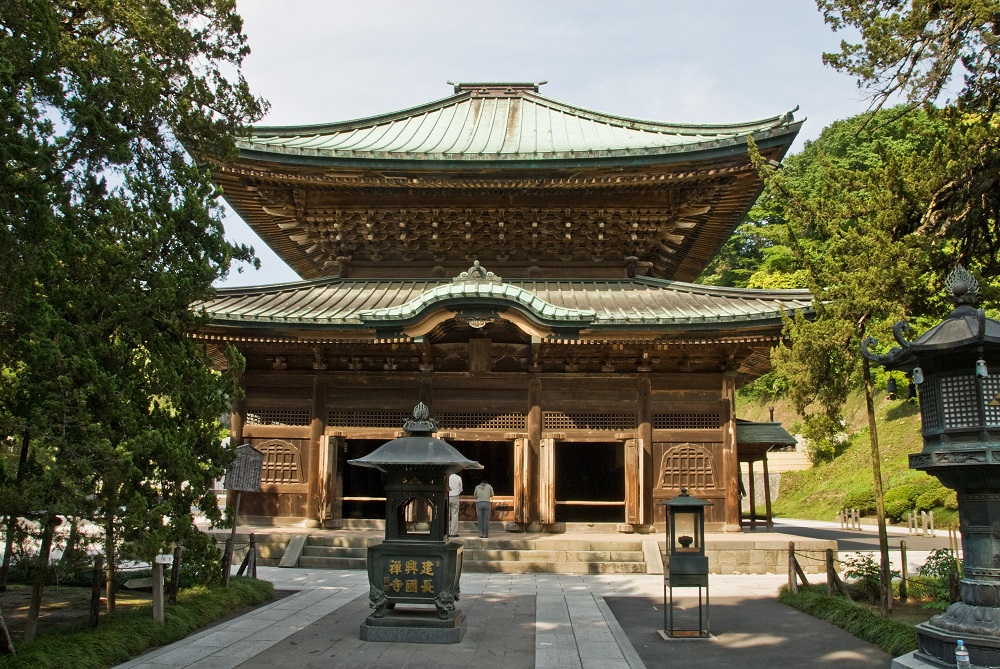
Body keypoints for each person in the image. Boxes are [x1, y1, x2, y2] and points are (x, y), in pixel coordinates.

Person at [448, 472, 462, 537]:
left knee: (446, 514)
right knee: (454, 514)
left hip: (447, 496)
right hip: (455, 496)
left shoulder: (446, 477)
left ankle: (447, 531)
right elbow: (460, 489)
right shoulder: (458, 478)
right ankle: (453, 533)